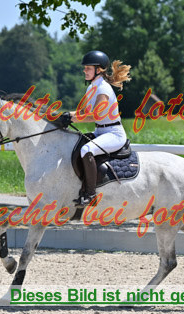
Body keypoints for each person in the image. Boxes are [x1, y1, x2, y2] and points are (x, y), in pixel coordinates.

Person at [59, 50, 131, 208]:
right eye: (84, 68)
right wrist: (65, 115)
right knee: (76, 144)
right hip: (100, 131)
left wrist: (73, 118)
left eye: (88, 68)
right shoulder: (91, 88)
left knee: (87, 150)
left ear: (98, 70)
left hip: (114, 134)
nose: (84, 71)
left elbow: (96, 115)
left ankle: (91, 194)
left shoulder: (103, 89)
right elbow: (84, 112)